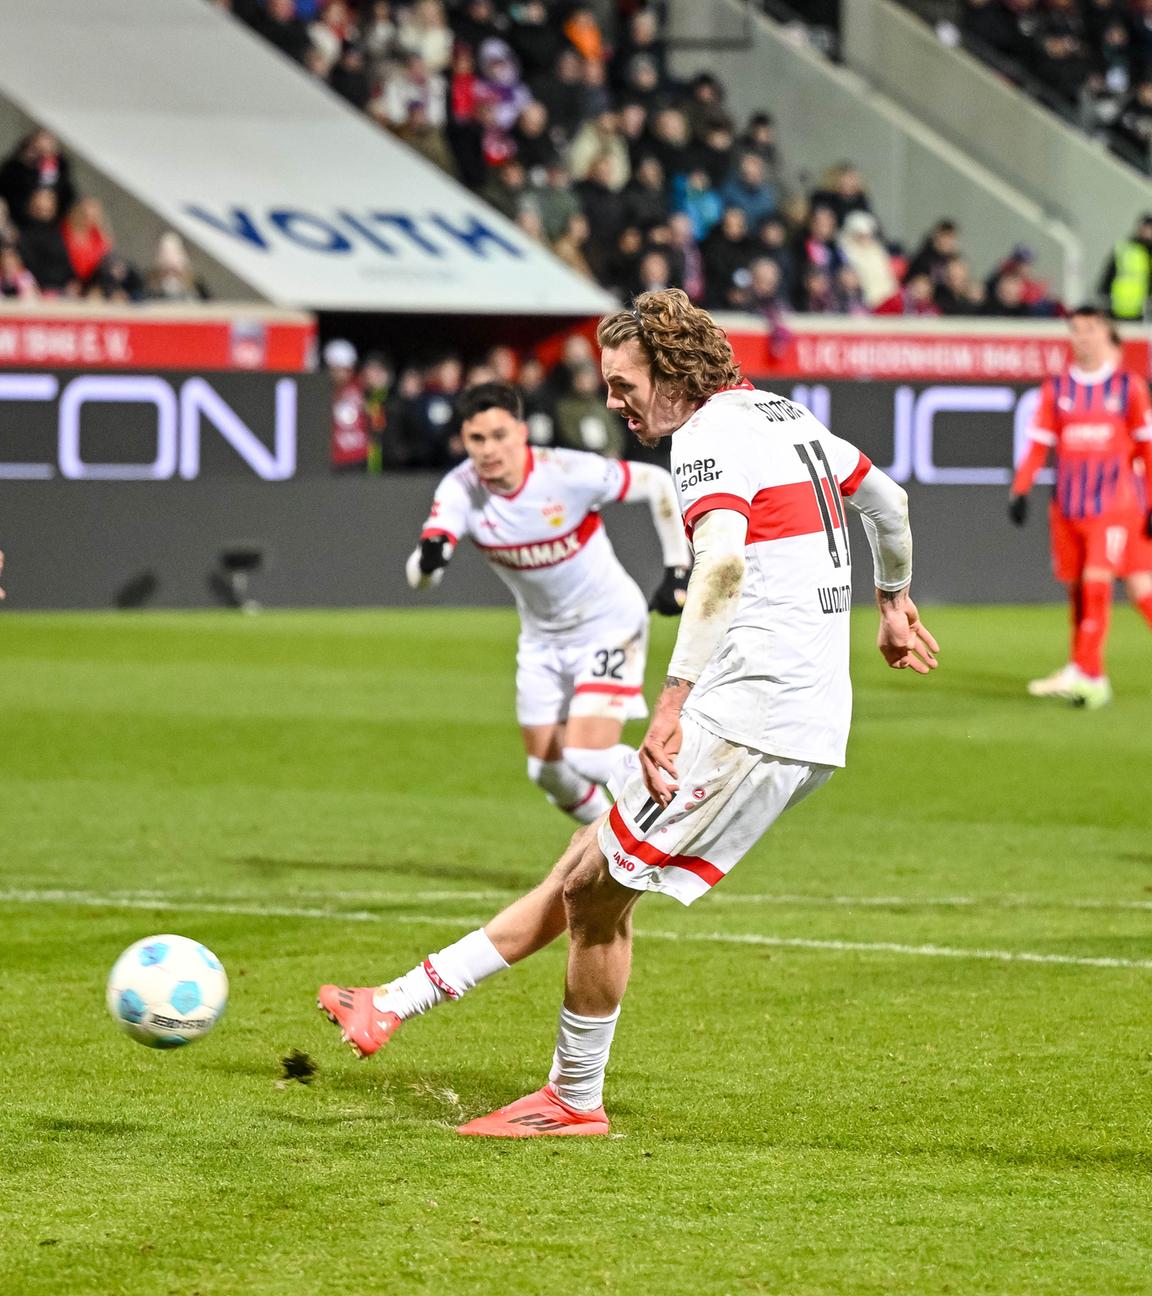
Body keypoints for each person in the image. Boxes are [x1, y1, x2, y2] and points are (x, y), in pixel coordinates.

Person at [319, 290, 938, 1136]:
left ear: (674, 372)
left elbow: (718, 569)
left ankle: (573, 1100)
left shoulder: (707, 438)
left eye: (622, 383)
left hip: (752, 717)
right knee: (589, 861)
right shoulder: (782, 416)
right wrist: (894, 601)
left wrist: (670, 704)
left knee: (593, 893)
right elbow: (890, 503)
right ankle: (392, 1003)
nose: (612, 402)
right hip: (794, 712)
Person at [403, 380, 691, 822]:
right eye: (477, 439)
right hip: (542, 641)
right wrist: (428, 560)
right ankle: (609, 848)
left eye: (499, 435)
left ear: (520, 432)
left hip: (608, 624)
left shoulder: (565, 472)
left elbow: (656, 482)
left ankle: (687, 796)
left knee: (586, 754)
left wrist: (677, 568)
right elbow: (423, 577)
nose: (488, 449)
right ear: (464, 440)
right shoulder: (460, 490)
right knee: (547, 771)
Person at [1009, 305, 1152, 707]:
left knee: (1097, 584)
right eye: (1075, 329)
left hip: (1116, 505)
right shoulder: (1058, 388)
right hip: (1068, 507)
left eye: (1090, 329)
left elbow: (1147, 446)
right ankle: (1081, 666)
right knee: (1098, 590)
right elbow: (1039, 444)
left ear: (1109, 335)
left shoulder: (1128, 387)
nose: (1082, 336)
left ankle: (1091, 677)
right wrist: (1020, 490)